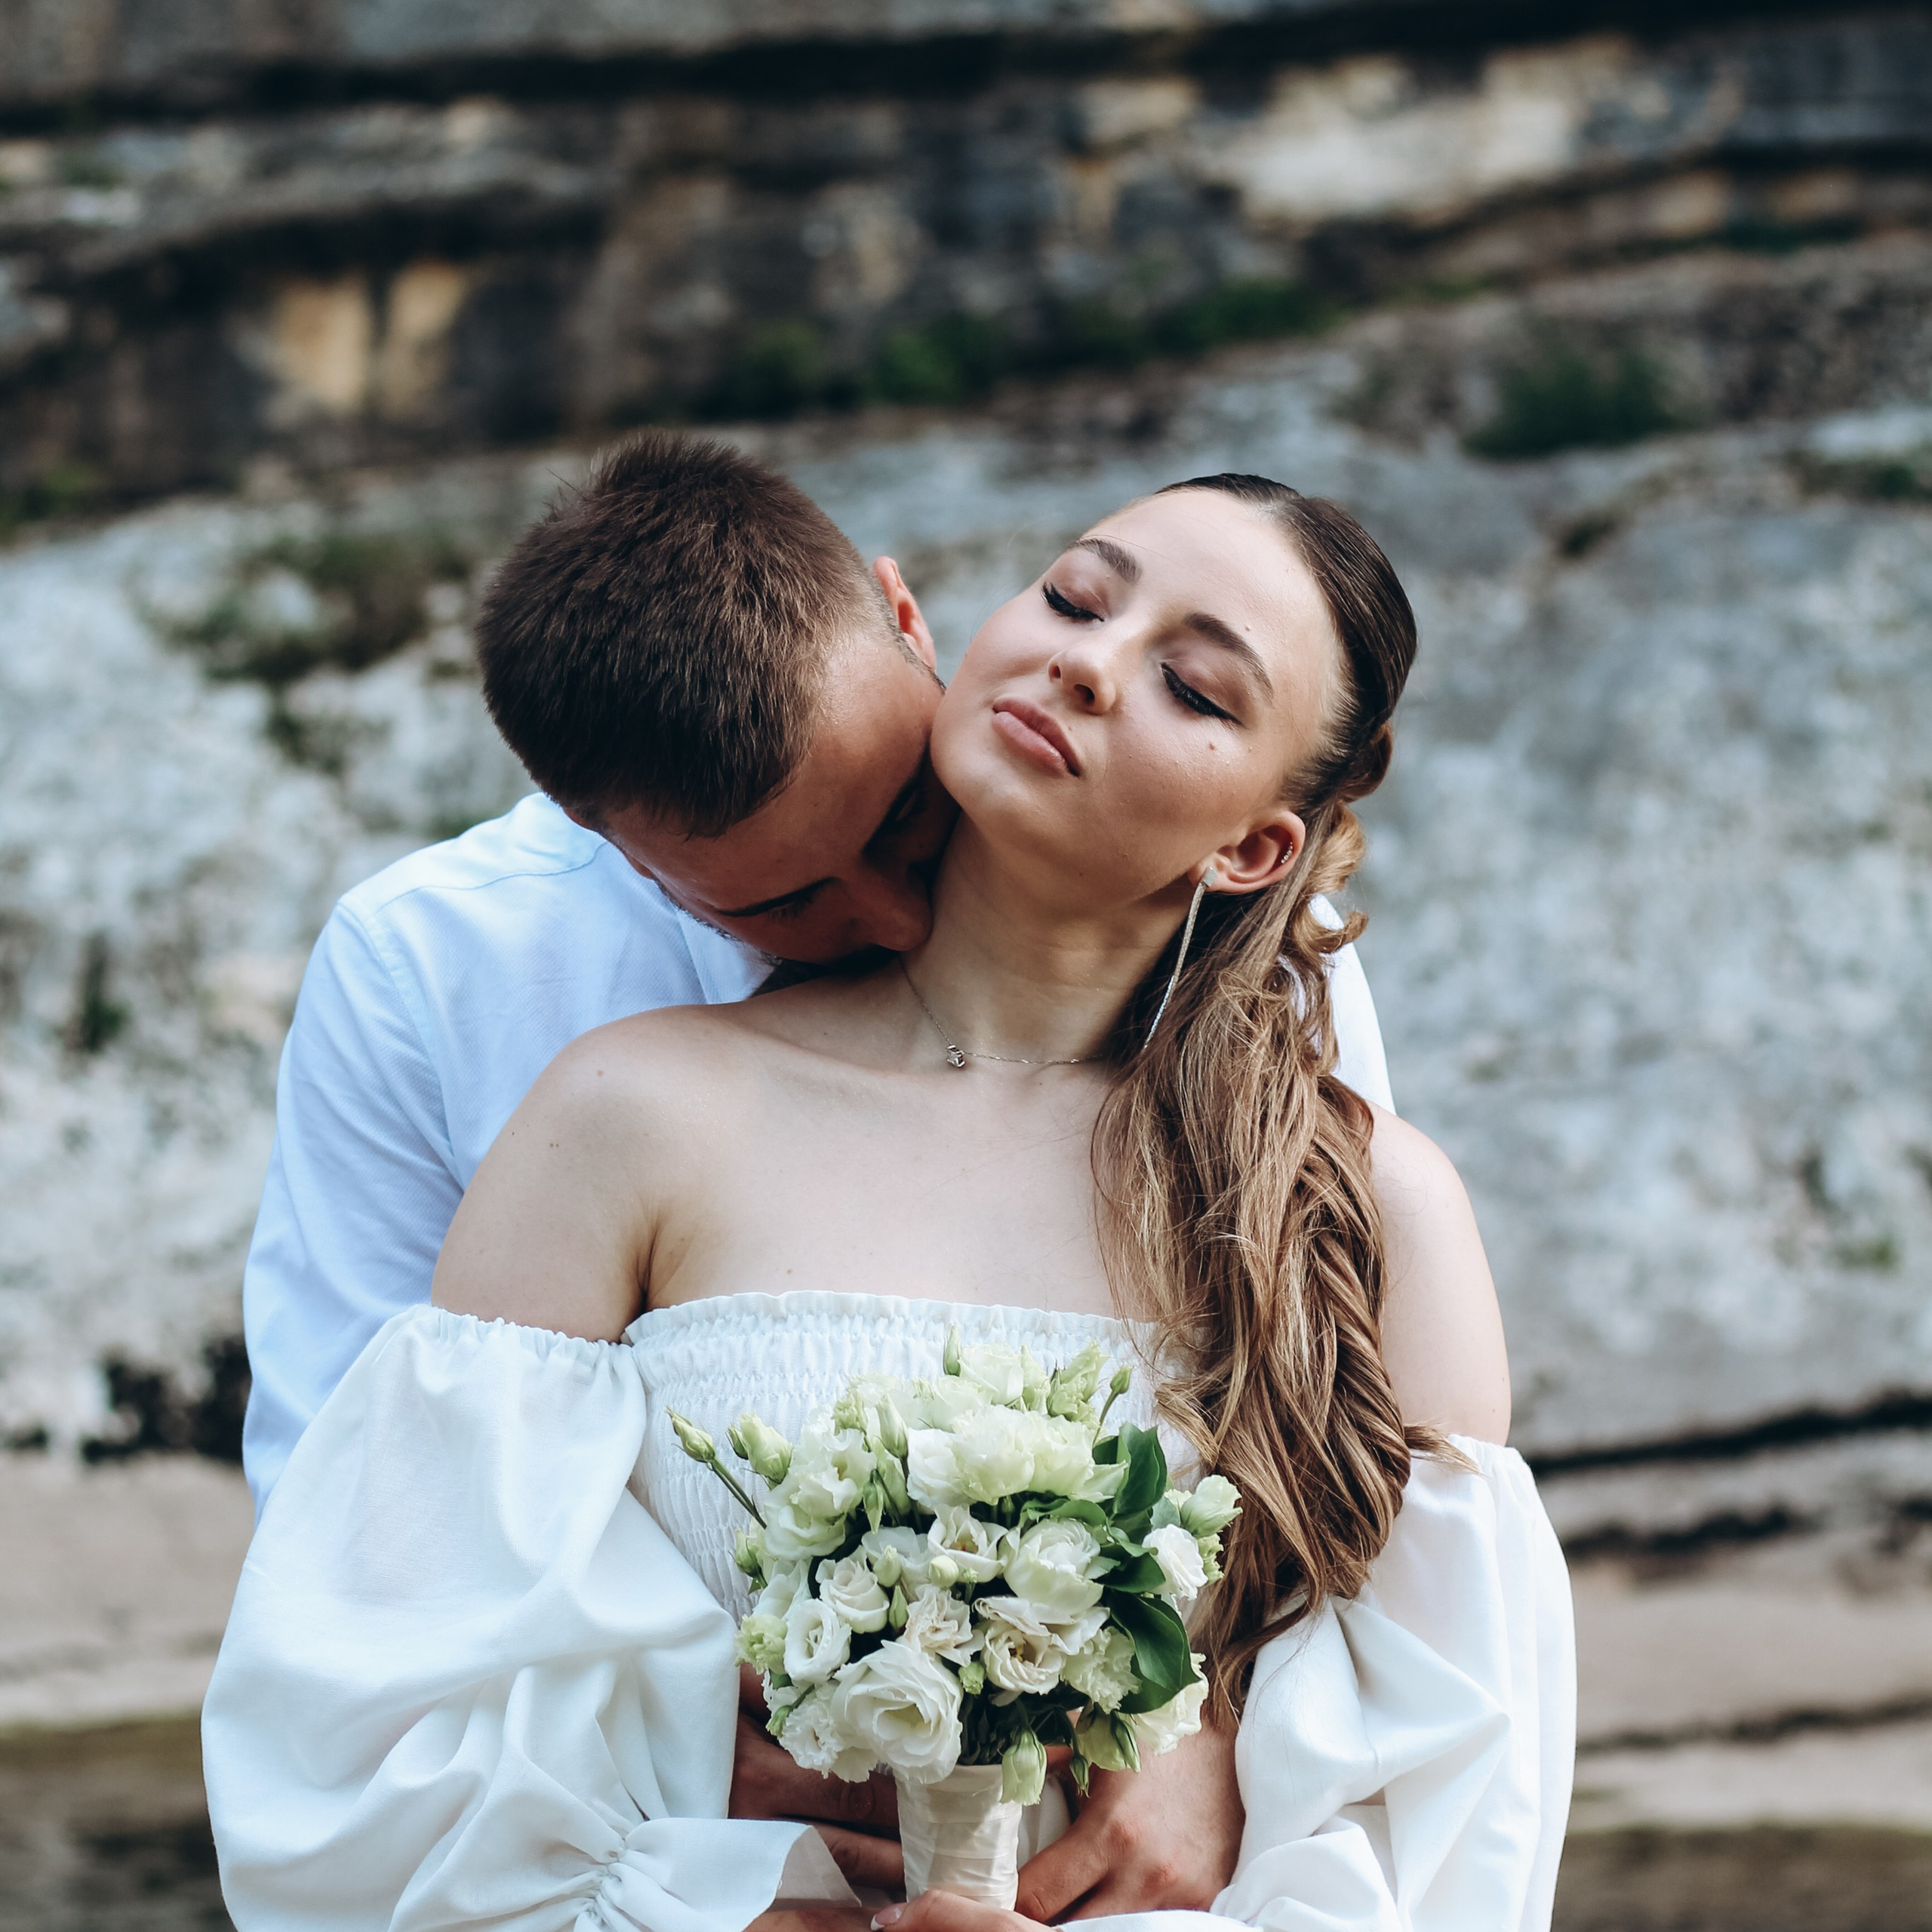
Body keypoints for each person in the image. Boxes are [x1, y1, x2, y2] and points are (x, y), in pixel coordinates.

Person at [205, 470, 1573, 1931]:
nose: (1087, 662)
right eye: (1072, 594)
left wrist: (1207, 1726)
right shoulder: (600, 1092)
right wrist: (695, 1833)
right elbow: (372, 1636)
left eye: (1189, 683)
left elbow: (1439, 1833)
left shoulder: (1356, 1189)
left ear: (1252, 850)